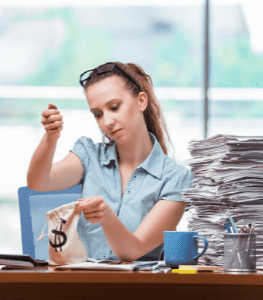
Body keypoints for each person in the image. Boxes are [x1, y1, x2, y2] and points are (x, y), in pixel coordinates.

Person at [26, 62, 193, 262]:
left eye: (114, 107)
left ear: (141, 101)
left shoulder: (176, 179)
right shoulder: (88, 155)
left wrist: (107, 216)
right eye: (98, 114)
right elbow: (38, 182)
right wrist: (50, 137)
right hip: (82, 284)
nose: (107, 121)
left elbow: (132, 251)